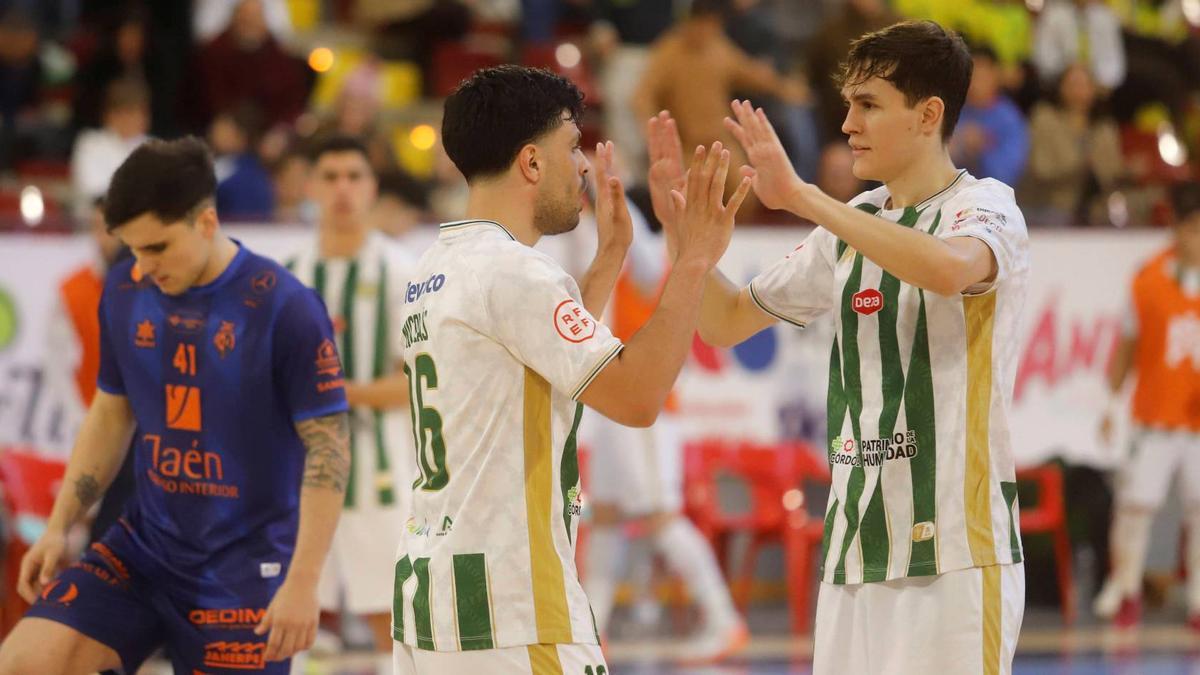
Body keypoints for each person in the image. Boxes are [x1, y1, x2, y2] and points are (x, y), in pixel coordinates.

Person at [652, 20, 1030, 673]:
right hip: (855, 550)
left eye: (869, 105)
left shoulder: (987, 206)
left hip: (957, 551)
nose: (848, 122)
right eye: (848, 103)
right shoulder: (852, 224)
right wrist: (681, 237)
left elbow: (947, 268)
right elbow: (725, 321)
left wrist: (803, 196)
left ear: (928, 114)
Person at [392, 64, 750, 674]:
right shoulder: (514, 272)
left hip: (433, 600)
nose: (583, 165)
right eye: (570, 146)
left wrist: (609, 257)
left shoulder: (435, 266)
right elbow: (637, 399)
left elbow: (537, 357)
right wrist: (693, 260)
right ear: (531, 163)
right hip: (513, 608)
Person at [0, 137, 351, 675]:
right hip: (143, 549)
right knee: (25, 662)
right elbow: (111, 412)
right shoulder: (124, 288)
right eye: (132, 248)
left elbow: (329, 447)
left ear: (206, 222)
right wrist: (58, 525)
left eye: (158, 247)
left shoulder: (286, 307)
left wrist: (303, 582)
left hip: (244, 570)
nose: (143, 266)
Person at [580, 160, 744, 662]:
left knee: (659, 516)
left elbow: (639, 250)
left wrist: (600, 187)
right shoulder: (611, 255)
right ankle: (591, 632)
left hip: (645, 409)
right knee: (604, 516)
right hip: (611, 399)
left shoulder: (650, 257)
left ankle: (723, 622)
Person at [283, 135, 415, 673]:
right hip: (297, 472)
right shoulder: (287, 275)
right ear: (310, 186)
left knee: (393, 618)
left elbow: (417, 381)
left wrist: (333, 396)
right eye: (330, 176)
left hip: (379, 469)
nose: (343, 189)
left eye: (354, 177)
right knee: (293, 616)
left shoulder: (401, 270)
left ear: (372, 188)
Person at [1094, 182, 1200, 628]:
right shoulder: (1147, 277)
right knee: (1136, 507)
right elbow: (1126, 348)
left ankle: (1198, 601)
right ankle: (1127, 590)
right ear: (1176, 224)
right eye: (1193, 227)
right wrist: (1108, 403)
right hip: (1154, 415)